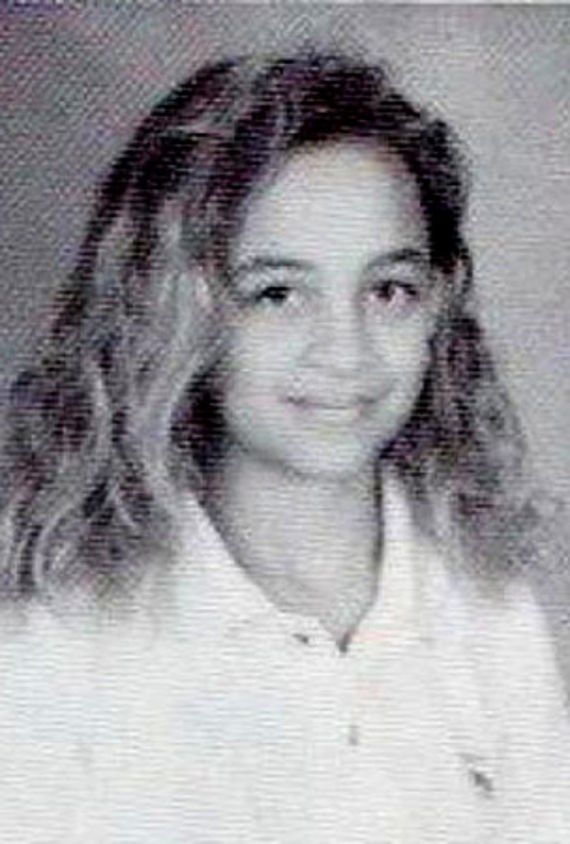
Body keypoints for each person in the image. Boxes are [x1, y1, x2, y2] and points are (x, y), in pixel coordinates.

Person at [0, 51, 568, 843]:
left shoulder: (485, 599)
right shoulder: (59, 639)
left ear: (439, 302)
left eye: (388, 290)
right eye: (277, 294)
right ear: (172, 310)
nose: (346, 352)